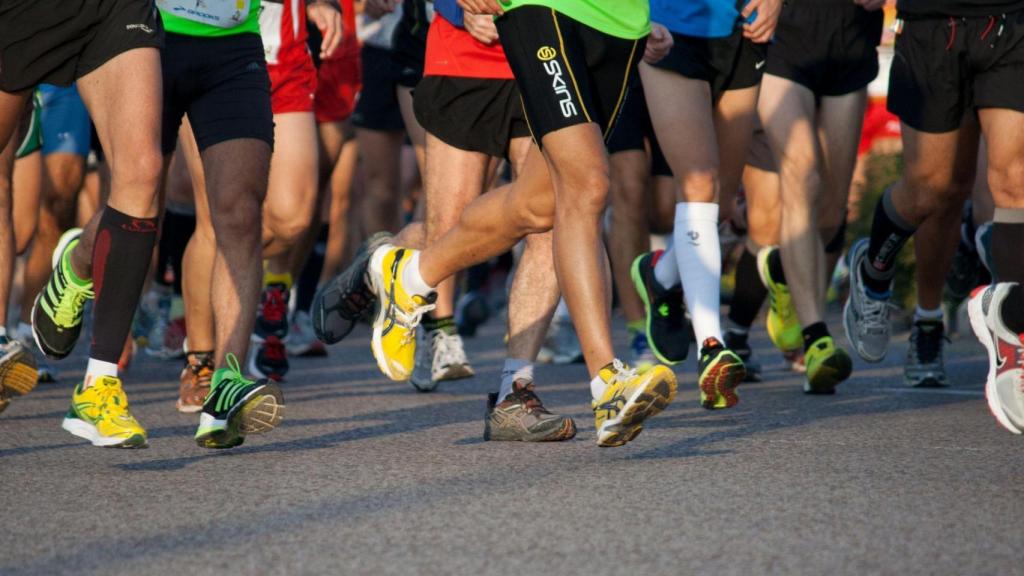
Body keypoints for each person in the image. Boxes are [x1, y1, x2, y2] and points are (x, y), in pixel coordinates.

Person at [360, 0, 679, 447]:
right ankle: (607, 381)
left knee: (539, 205)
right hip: (539, 12)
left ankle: (412, 273)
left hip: (619, 22)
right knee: (586, 185)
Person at [29, 0, 286, 449]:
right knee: (139, 199)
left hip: (234, 41)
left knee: (240, 211)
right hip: (144, 33)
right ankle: (77, 265)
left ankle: (226, 381)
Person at [843, 0, 1024, 434]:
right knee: (934, 188)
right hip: (931, 26)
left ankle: (1014, 342)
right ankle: (875, 270)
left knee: (1014, 180)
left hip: (1009, 20)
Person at [630, 0, 781, 408]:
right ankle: (711, 347)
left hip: (740, 26)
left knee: (722, 206)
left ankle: (661, 275)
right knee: (698, 182)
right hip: (666, 23)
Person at [754, 0, 884, 393]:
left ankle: (787, 281)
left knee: (831, 211)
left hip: (851, 36)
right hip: (785, 36)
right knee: (803, 173)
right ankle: (816, 337)